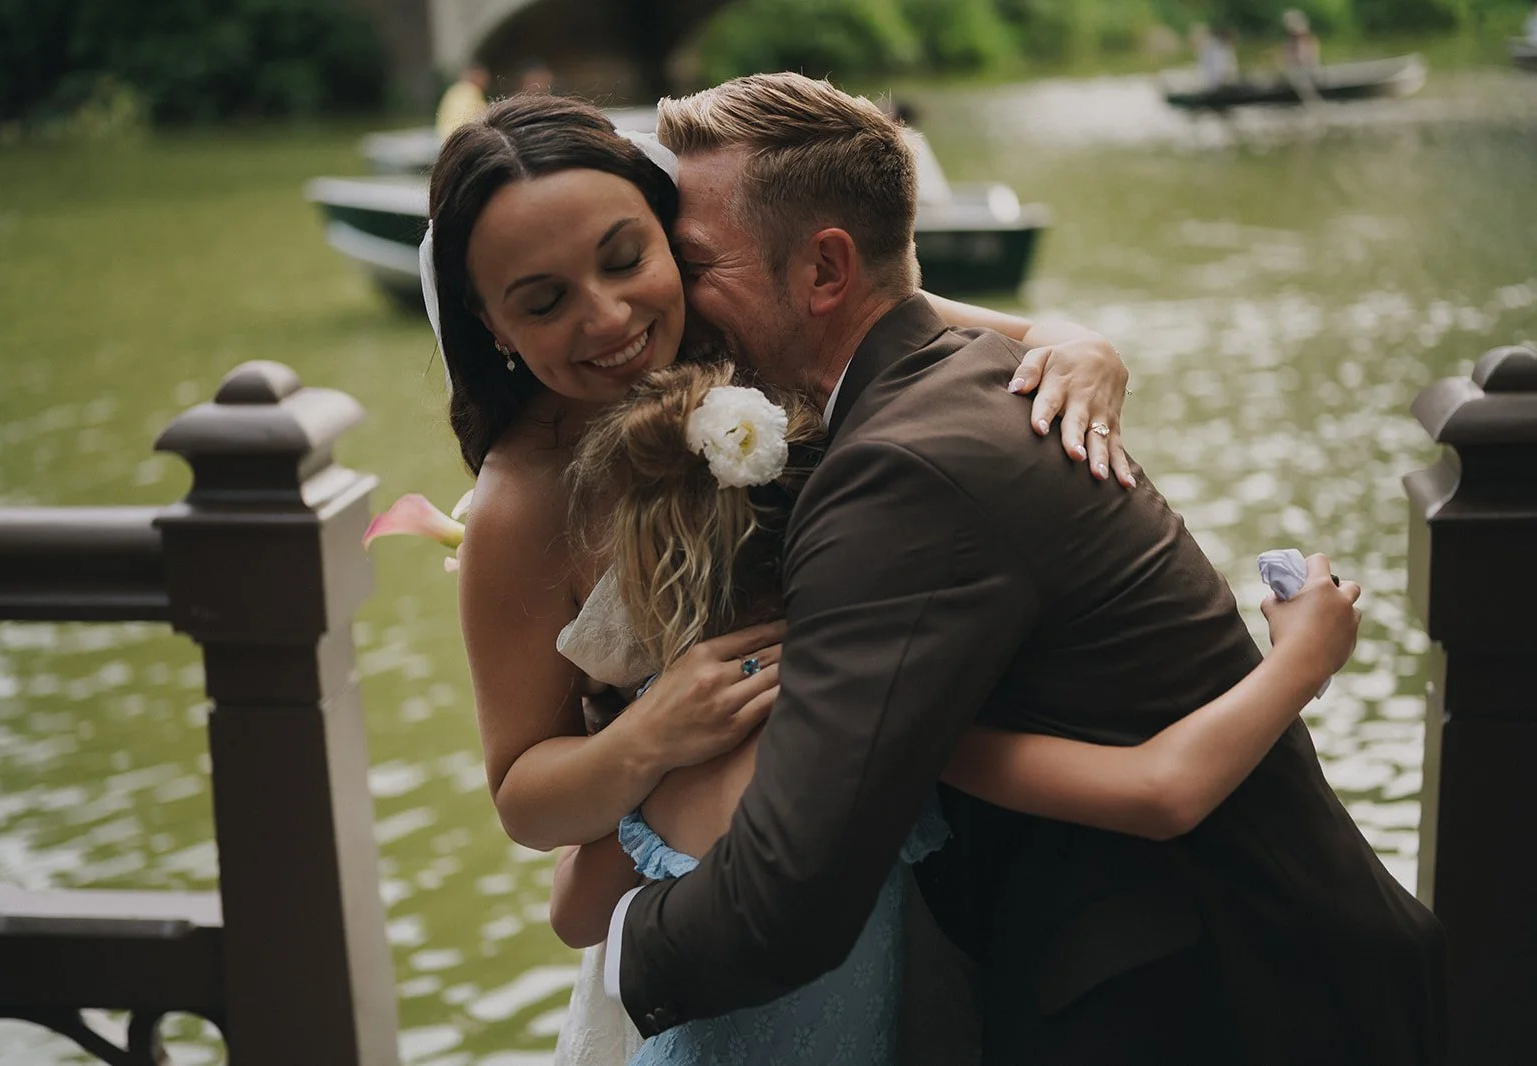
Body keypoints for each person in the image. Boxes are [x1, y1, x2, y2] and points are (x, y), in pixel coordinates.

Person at [601, 73, 1446, 1065]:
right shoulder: (963, 375)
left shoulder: (903, 471)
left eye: (694, 262)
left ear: (825, 270)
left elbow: (792, 891)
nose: (674, 298)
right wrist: (1070, 333)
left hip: (1229, 1002)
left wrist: (615, 947)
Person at [422, 93, 1133, 1066]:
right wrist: (648, 733)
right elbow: (522, 795)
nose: (608, 316)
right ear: (489, 321)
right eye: (543, 301)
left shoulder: (748, 329)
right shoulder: (519, 504)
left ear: (669, 233)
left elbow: (1008, 336)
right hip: (722, 900)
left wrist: (1087, 350)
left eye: (625, 257)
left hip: (913, 831)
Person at [548, 359, 1365, 1064]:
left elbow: (575, 913)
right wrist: (1302, 659)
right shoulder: (875, 731)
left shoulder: (663, 730)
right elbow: (1162, 789)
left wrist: (635, 743)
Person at [434, 62, 489, 141]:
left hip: (445, 138)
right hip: (463, 138)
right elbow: (483, 115)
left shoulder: (453, 90)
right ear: (476, 76)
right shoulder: (472, 91)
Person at [1189, 22, 1239, 89]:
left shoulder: (1218, 49)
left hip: (1220, 84)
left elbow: (1224, 71)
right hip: (1216, 84)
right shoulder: (1212, 48)